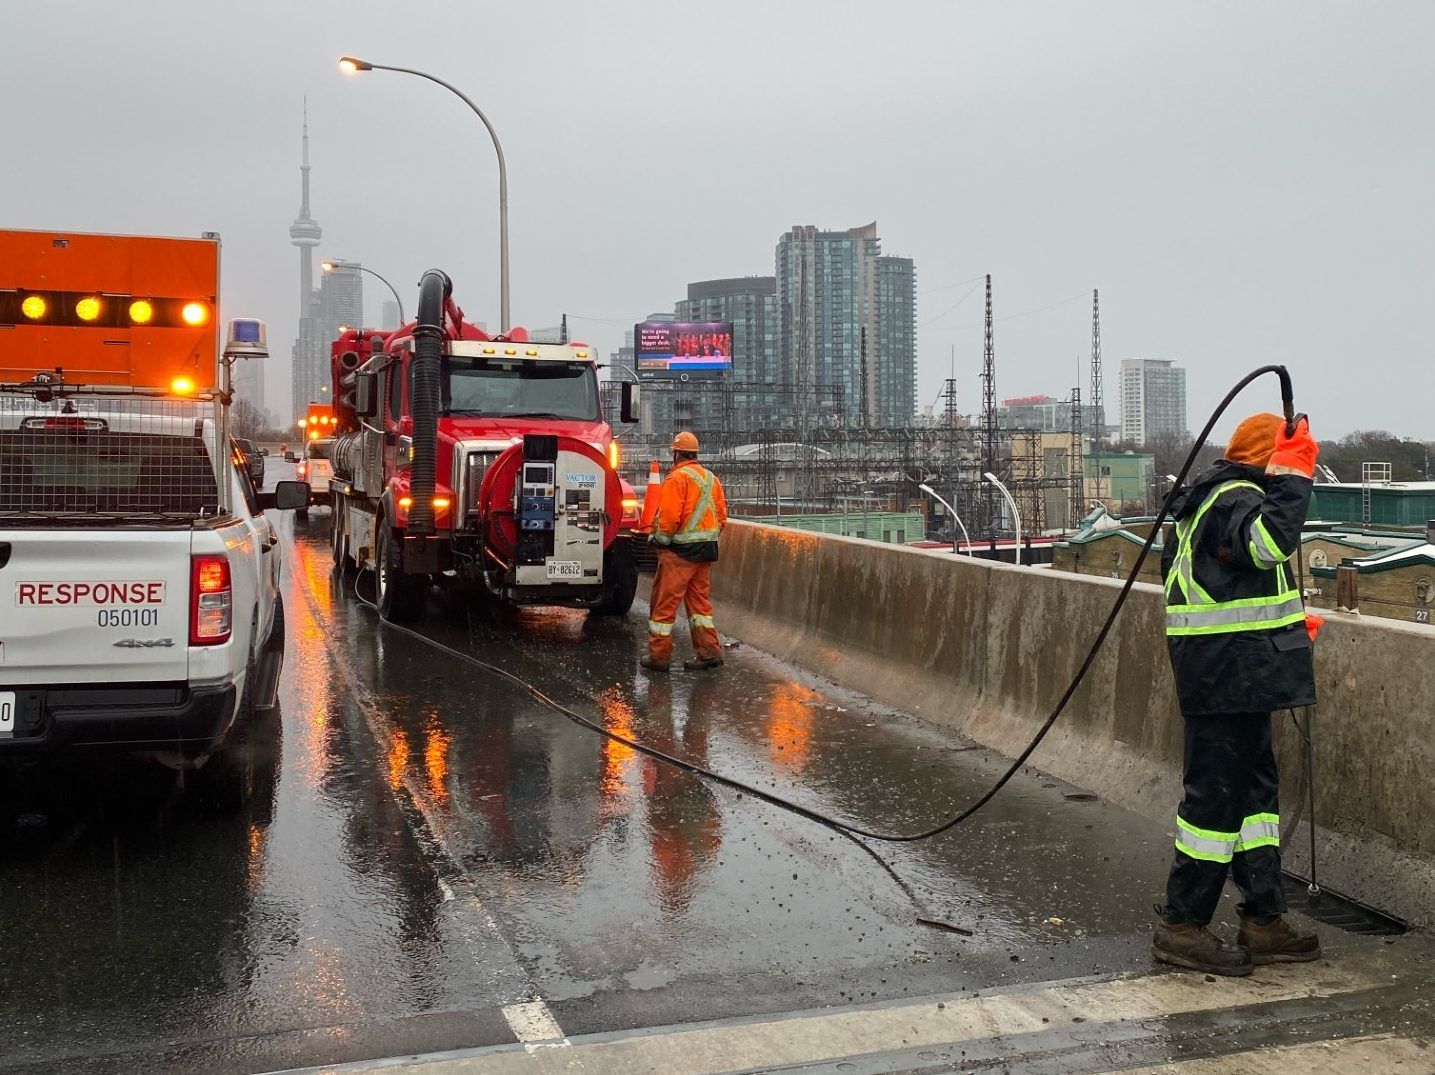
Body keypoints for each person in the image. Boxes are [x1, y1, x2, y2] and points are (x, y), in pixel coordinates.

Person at [1153, 413, 1324, 976]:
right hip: (1225, 674)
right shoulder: (1232, 497)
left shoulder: (1216, 498)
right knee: (1215, 803)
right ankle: (1183, 926)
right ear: (1268, 459)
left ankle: (1263, 918)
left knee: (1254, 800)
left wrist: (1284, 630)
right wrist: (1294, 477)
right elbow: (1268, 545)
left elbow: (1228, 583)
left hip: (1237, 669)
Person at [642, 431, 728, 673]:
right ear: (695, 454)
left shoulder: (677, 479)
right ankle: (709, 653)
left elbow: (669, 517)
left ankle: (659, 656)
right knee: (700, 606)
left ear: (677, 453)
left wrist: (660, 540)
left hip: (679, 553)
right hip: (705, 551)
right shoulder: (711, 479)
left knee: (664, 604)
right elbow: (721, 517)